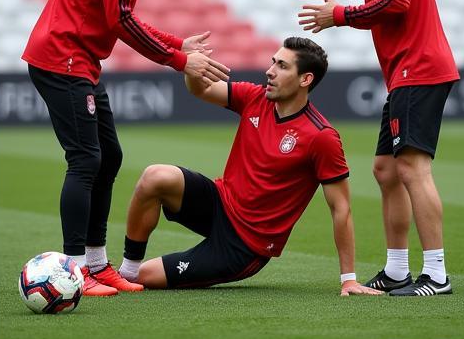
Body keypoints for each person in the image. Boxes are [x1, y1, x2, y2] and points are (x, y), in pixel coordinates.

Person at [23, 0, 230, 296]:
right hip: (62, 58)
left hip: (79, 60)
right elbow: (118, 20)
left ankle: (97, 266)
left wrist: (178, 44)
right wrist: (178, 60)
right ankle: (74, 272)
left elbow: (124, 16)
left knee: (109, 156)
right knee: (86, 160)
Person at [116, 37, 381, 296]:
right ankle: (126, 272)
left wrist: (349, 280)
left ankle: (134, 275)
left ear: (305, 79)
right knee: (155, 176)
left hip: (245, 244)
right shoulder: (255, 97)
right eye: (273, 62)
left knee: (147, 277)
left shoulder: (321, 136)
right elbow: (201, 89)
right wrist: (190, 65)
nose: (270, 71)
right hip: (220, 204)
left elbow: (341, 208)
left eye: (282, 66)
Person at [299, 0, 459, 296]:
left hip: (418, 68)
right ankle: (396, 269)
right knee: (386, 170)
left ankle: (437, 274)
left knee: (411, 168)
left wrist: (340, 15)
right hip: (406, 72)